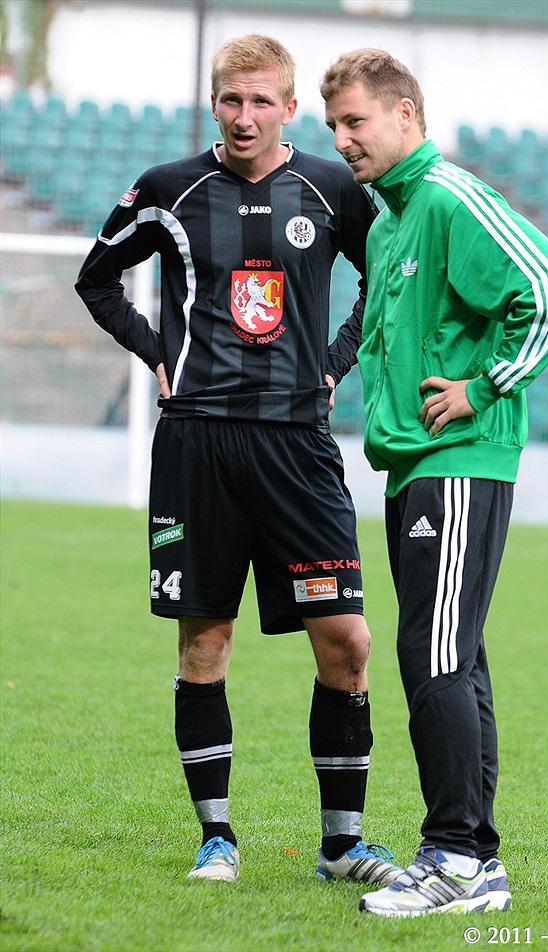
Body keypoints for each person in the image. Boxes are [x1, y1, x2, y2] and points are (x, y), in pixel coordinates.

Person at [75, 34, 401, 888]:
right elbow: (96, 279)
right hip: (199, 441)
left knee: (349, 644)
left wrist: (333, 365)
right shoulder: (167, 189)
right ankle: (216, 837)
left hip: (297, 443)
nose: (245, 116)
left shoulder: (331, 189)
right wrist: (158, 354)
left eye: (261, 101)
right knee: (205, 643)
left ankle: (341, 846)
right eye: (230, 100)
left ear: (290, 108)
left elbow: (388, 281)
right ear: (212, 103)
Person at [321, 49, 548, 917]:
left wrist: (485, 385)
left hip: (461, 461)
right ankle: (480, 862)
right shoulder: (390, 217)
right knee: (452, 655)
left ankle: (455, 860)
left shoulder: (447, 196)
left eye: (356, 121)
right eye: (334, 125)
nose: (343, 138)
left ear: (406, 114)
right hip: (414, 466)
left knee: (430, 654)